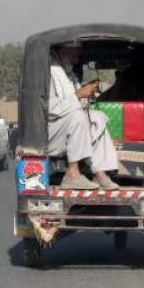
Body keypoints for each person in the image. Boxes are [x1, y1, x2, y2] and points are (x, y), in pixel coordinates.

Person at [48, 42, 119, 189]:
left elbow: (79, 103)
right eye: (74, 56)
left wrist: (88, 92)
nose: (76, 61)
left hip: (68, 126)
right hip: (51, 130)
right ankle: (72, 173)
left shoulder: (69, 74)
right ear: (63, 53)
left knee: (98, 117)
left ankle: (99, 173)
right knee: (78, 117)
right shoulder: (51, 72)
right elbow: (52, 109)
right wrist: (79, 94)